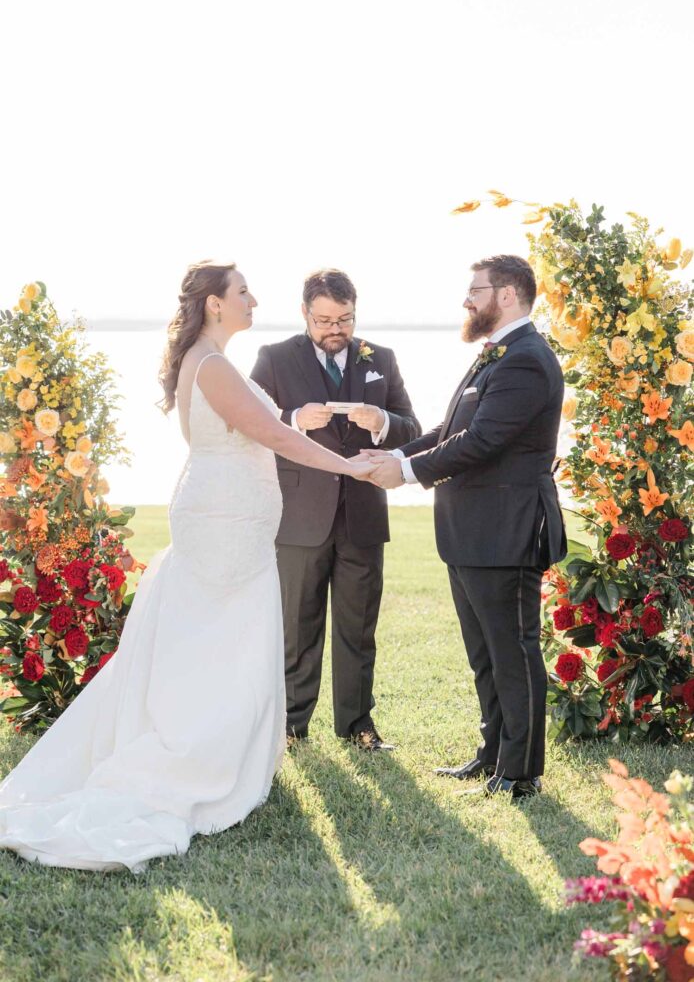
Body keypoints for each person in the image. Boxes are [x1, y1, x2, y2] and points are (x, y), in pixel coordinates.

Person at [0, 260, 372, 872]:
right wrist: (353, 466)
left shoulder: (207, 361)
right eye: (244, 291)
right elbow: (270, 438)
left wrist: (290, 420)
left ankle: (225, 748)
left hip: (230, 519)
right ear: (216, 305)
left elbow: (259, 429)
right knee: (220, 641)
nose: (254, 298)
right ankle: (198, 756)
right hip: (223, 526)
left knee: (216, 638)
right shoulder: (215, 366)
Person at [365, 255, 566, 799]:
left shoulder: (526, 360)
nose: (466, 300)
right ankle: (493, 753)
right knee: (484, 656)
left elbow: (482, 442)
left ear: (506, 294)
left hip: (506, 532)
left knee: (513, 652)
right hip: (471, 532)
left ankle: (521, 772)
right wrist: (391, 453)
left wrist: (404, 472)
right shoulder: (496, 355)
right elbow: (450, 429)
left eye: (475, 290)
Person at [250, 269, 420, 751]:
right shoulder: (275, 358)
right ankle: (290, 725)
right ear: (305, 313)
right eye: (324, 320)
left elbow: (415, 428)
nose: (334, 330)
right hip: (300, 517)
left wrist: (385, 422)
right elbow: (249, 426)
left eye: (344, 319)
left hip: (363, 516)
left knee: (358, 628)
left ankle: (357, 725)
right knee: (296, 629)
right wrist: (293, 420)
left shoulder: (380, 359)